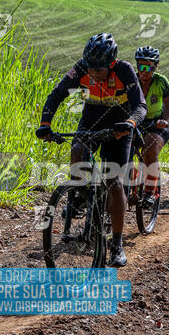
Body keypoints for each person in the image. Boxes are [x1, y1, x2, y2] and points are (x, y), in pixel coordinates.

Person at [35, 33, 147, 267]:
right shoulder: (81, 69)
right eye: (91, 67)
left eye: (100, 69)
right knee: (77, 148)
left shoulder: (124, 70)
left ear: (112, 63)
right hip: (91, 120)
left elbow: (140, 105)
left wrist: (131, 123)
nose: (94, 73)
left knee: (114, 181)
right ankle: (79, 193)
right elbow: (56, 94)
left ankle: (116, 244)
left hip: (120, 127)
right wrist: (46, 124)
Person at [134, 45, 169, 208]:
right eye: (140, 66)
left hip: (157, 124)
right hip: (136, 122)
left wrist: (165, 119)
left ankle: (150, 191)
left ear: (155, 66)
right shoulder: (133, 80)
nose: (143, 71)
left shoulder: (161, 81)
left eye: (148, 67)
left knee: (149, 147)